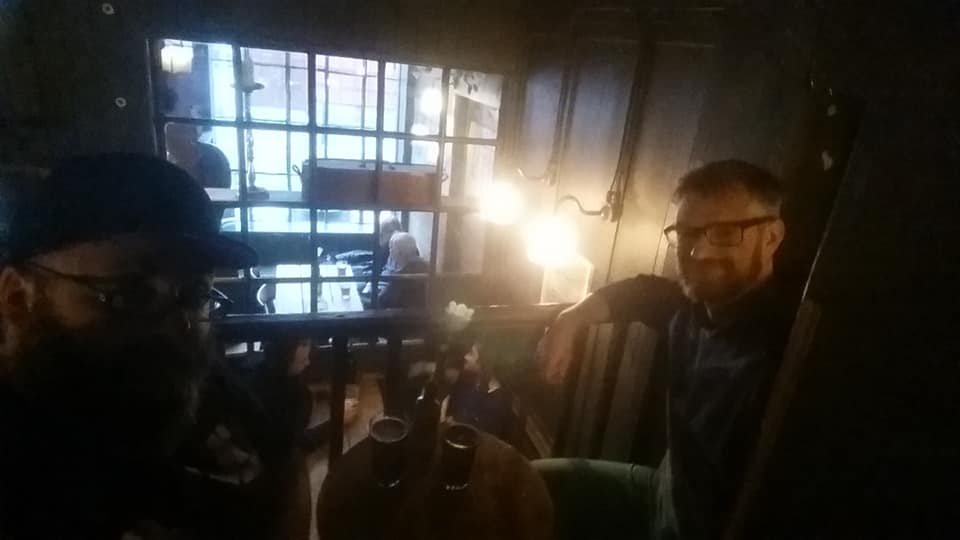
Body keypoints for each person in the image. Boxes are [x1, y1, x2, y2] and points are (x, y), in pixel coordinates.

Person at [0, 154, 304, 539]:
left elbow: (279, 467)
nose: (179, 324)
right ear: (18, 299)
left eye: (195, 293)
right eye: (132, 293)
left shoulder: (178, 378)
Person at [535, 160, 793, 540]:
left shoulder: (785, 354)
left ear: (771, 236)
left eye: (724, 233)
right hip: (660, 495)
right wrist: (568, 319)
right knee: (523, 483)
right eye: (687, 234)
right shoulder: (688, 308)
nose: (699, 252)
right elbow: (642, 292)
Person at [378, 232, 428, 309]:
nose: (389, 251)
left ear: (399, 252)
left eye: (391, 247)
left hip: (403, 314)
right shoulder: (424, 265)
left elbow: (383, 299)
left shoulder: (404, 275)